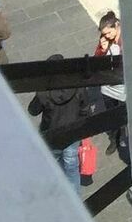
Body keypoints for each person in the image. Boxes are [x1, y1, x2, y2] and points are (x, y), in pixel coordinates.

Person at [28, 55, 90, 192]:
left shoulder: (43, 92)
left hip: (52, 134)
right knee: (72, 166)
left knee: (53, 162)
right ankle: (76, 199)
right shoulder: (77, 85)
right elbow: (85, 109)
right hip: (73, 134)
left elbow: (33, 111)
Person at [94, 11, 129, 168]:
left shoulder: (125, 41)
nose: (106, 36)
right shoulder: (105, 41)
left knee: (122, 116)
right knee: (110, 116)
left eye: (108, 32)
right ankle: (113, 139)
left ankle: (122, 137)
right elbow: (96, 62)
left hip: (123, 89)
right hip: (107, 88)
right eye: (104, 34)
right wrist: (101, 51)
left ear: (117, 26)